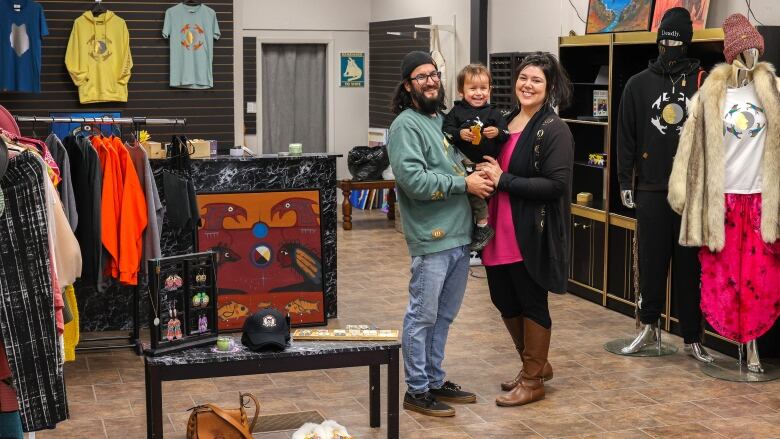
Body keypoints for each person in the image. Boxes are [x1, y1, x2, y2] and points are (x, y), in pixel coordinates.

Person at [387, 51, 494, 417]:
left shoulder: (442, 121)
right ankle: (416, 390)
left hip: (460, 237)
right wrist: (463, 184)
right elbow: (413, 180)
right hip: (431, 239)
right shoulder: (406, 125)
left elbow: (456, 161)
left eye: (434, 74)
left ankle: (433, 378)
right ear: (408, 85)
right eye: (421, 77)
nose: (430, 81)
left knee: (443, 317)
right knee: (422, 316)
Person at [477, 52, 574, 407]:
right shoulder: (502, 121)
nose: (527, 85)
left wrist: (504, 179)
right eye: (523, 78)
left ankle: (533, 381)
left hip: (529, 233)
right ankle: (534, 364)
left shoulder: (554, 129)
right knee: (503, 300)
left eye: (536, 80)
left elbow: (556, 186)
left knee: (531, 302)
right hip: (496, 228)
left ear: (548, 88)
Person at [443, 63, 509, 251]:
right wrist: (459, 134)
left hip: (487, 164)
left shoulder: (495, 113)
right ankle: (480, 225)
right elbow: (446, 131)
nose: (478, 93)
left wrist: (496, 131)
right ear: (461, 91)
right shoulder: (456, 112)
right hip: (463, 164)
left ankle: (482, 226)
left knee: (479, 194)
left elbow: (506, 134)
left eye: (483, 88)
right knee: (471, 195)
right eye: (472, 88)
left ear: (490, 90)